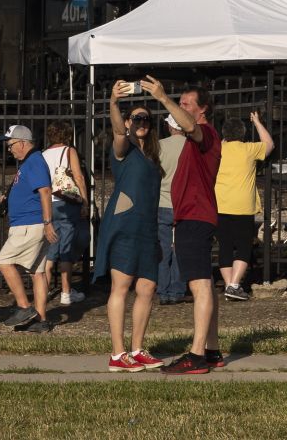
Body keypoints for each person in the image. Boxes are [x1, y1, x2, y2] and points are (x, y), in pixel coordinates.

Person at [148, 76, 226, 375]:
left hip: (195, 216)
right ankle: (212, 350)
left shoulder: (204, 132)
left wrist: (163, 98)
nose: (179, 108)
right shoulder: (198, 137)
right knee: (205, 282)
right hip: (194, 215)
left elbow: (192, 127)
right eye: (179, 103)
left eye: (186, 104)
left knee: (200, 285)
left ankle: (195, 355)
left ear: (202, 109)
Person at [97, 82, 167, 372]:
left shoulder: (152, 155)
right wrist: (113, 101)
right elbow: (116, 131)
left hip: (147, 227)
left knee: (148, 287)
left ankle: (137, 349)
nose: (141, 123)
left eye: (146, 119)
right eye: (136, 118)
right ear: (128, 122)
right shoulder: (123, 150)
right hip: (124, 225)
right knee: (121, 287)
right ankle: (117, 353)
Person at [0, 124, 59, 331]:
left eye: (10, 144)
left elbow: (46, 191)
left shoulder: (34, 162)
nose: (8, 148)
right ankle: (41, 321)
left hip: (30, 224)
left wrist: (48, 222)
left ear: (22, 143)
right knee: (37, 272)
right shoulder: (29, 163)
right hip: (30, 223)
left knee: (3, 262)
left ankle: (24, 307)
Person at [217, 110, 273, 301]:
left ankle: (228, 285)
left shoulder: (218, 149)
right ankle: (234, 285)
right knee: (243, 247)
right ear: (243, 134)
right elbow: (269, 144)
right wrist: (257, 122)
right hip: (242, 205)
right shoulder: (248, 149)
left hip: (220, 204)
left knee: (224, 247)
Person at [40, 122, 90, 308]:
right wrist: (84, 201)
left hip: (49, 204)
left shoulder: (43, 155)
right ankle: (66, 292)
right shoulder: (69, 151)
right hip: (67, 203)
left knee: (51, 250)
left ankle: (42, 292)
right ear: (67, 136)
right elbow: (78, 177)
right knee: (66, 249)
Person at [156, 115, 189, 305]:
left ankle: (162, 290)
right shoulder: (190, 146)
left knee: (163, 249)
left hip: (163, 202)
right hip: (183, 203)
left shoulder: (160, 145)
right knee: (180, 249)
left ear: (169, 126)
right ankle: (177, 290)